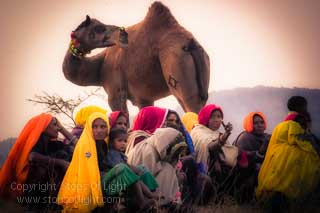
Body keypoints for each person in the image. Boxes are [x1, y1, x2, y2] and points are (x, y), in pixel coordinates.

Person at [57, 112, 155, 212]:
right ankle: (142, 200)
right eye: (94, 126)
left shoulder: (104, 143)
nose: (98, 130)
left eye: (103, 126)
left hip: (105, 178)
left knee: (142, 169)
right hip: (90, 186)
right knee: (122, 168)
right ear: (89, 127)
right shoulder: (86, 145)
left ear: (108, 128)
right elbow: (89, 172)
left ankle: (149, 199)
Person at [0, 113, 73, 207]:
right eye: (54, 125)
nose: (57, 128)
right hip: (31, 194)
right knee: (44, 166)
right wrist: (61, 163)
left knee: (65, 155)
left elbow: (78, 147)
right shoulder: (35, 144)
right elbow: (33, 156)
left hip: (47, 195)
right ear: (44, 127)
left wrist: (62, 128)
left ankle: (57, 202)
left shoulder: (54, 144)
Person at [256, 112, 320, 211]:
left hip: (266, 194)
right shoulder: (303, 151)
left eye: (261, 122)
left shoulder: (274, 145)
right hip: (291, 198)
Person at [127, 127, 188, 205]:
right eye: (169, 147)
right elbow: (146, 177)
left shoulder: (153, 145)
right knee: (168, 169)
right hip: (140, 190)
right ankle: (161, 202)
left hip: (141, 187)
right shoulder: (149, 152)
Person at [233, 112, 271, 202]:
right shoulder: (245, 138)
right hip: (246, 175)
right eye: (256, 123)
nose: (260, 125)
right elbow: (244, 161)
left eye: (262, 122)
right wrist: (261, 150)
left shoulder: (267, 137)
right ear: (249, 124)